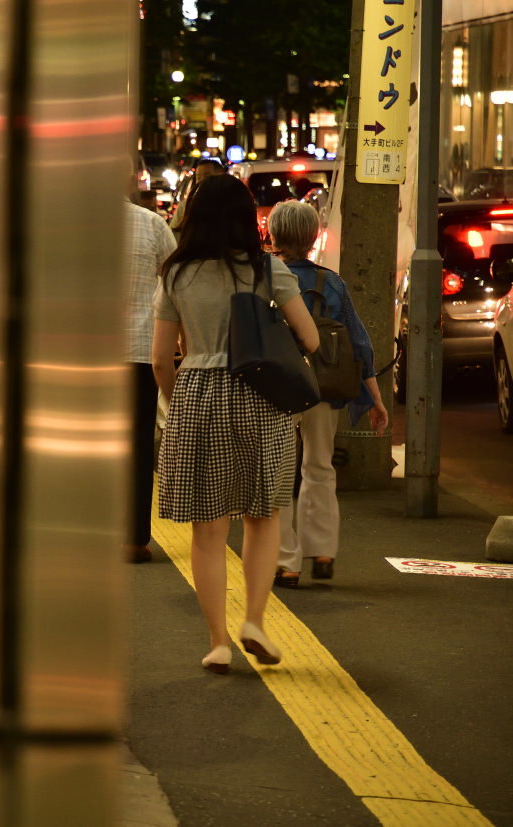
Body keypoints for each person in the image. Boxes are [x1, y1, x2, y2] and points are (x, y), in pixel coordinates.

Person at [150, 175, 319, 674]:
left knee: (208, 529)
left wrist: (179, 401)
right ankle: (255, 622)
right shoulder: (267, 269)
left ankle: (217, 641)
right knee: (263, 517)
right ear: (247, 218)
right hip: (261, 396)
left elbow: (161, 358)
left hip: (198, 393)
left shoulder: (176, 274)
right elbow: (310, 339)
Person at [266, 200, 389, 587]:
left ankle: (286, 562)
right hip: (324, 386)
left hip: (277, 387)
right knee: (319, 467)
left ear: (274, 234)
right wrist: (375, 396)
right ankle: (321, 552)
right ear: (313, 236)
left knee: (279, 474)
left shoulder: (264, 277)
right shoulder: (331, 283)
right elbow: (359, 344)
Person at [124, 167, 178, 564]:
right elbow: (176, 281)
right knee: (138, 444)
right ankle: (132, 539)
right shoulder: (151, 225)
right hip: (138, 349)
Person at [169, 158, 224, 237]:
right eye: (198, 177)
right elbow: (174, 236)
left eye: (207, 176)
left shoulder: (230, 206)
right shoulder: (185, 206)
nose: (201, 180)